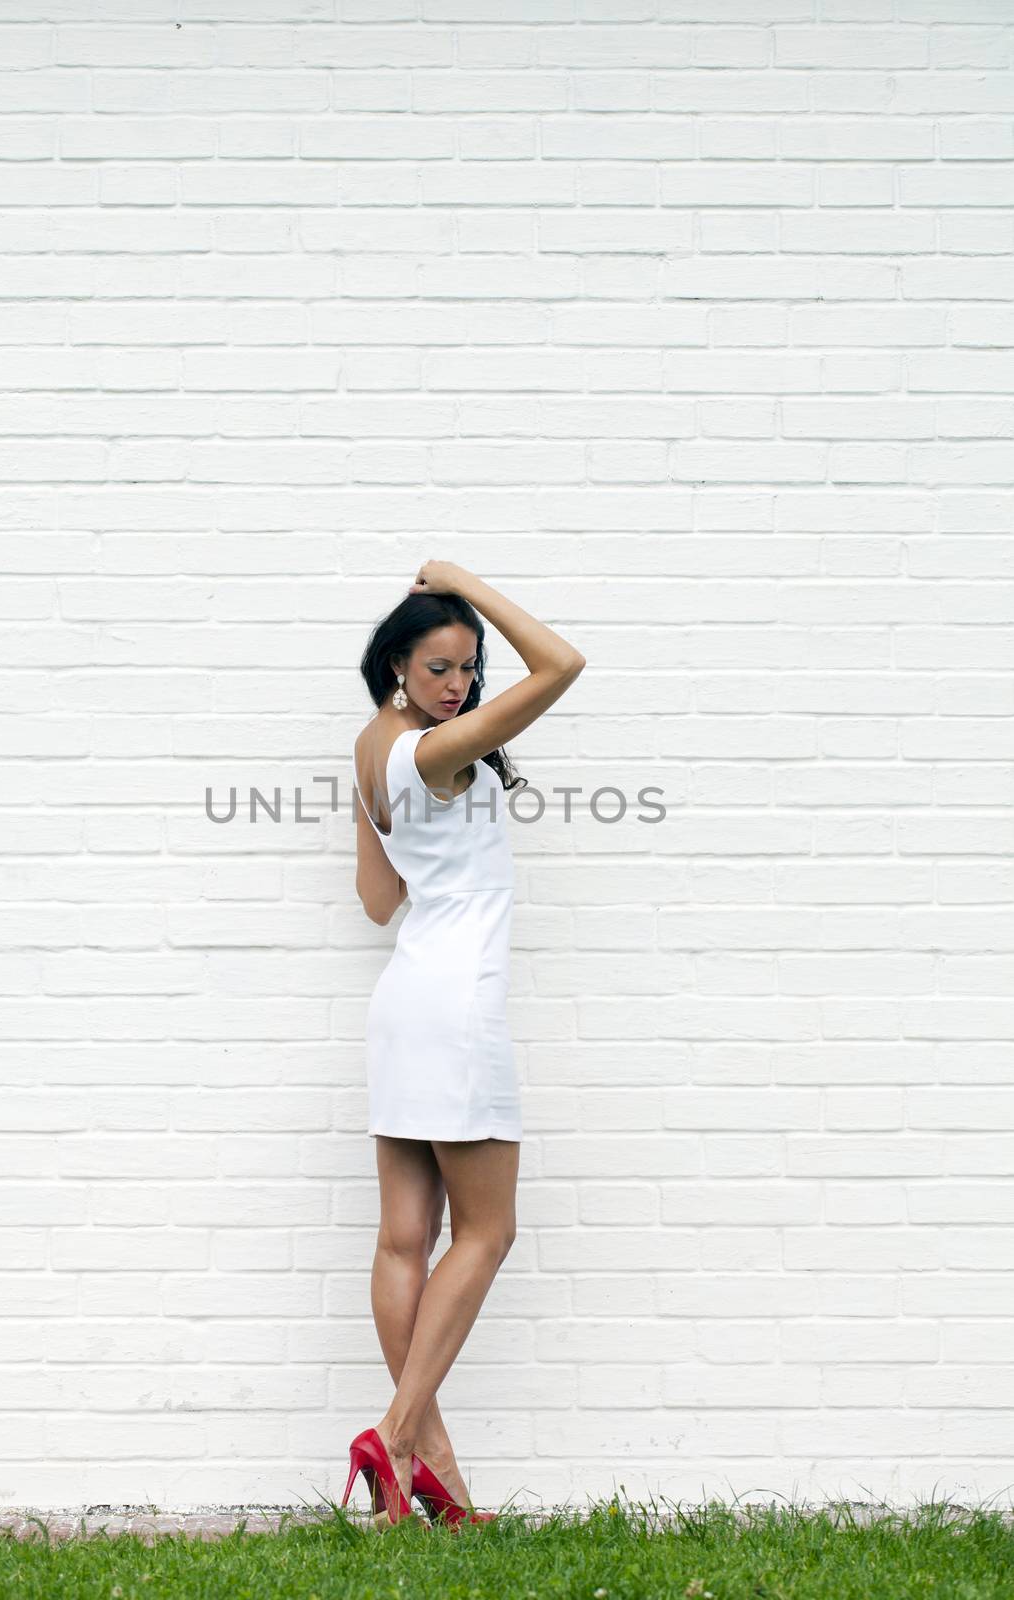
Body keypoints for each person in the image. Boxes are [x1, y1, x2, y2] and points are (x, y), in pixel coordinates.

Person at [344, 559, 585, 1527]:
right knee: (489, 1230)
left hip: (404, 1000)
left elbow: (377, 902)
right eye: (441, 666)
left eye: (470, 668)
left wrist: (439, 860)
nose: (460, 686)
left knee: (408, 1238)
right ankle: (396, 1437)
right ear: (400, 660)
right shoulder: (438, 753)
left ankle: (429, 1481)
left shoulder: (374, 745)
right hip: (457, 1008)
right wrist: (469, 585)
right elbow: (563, 663)